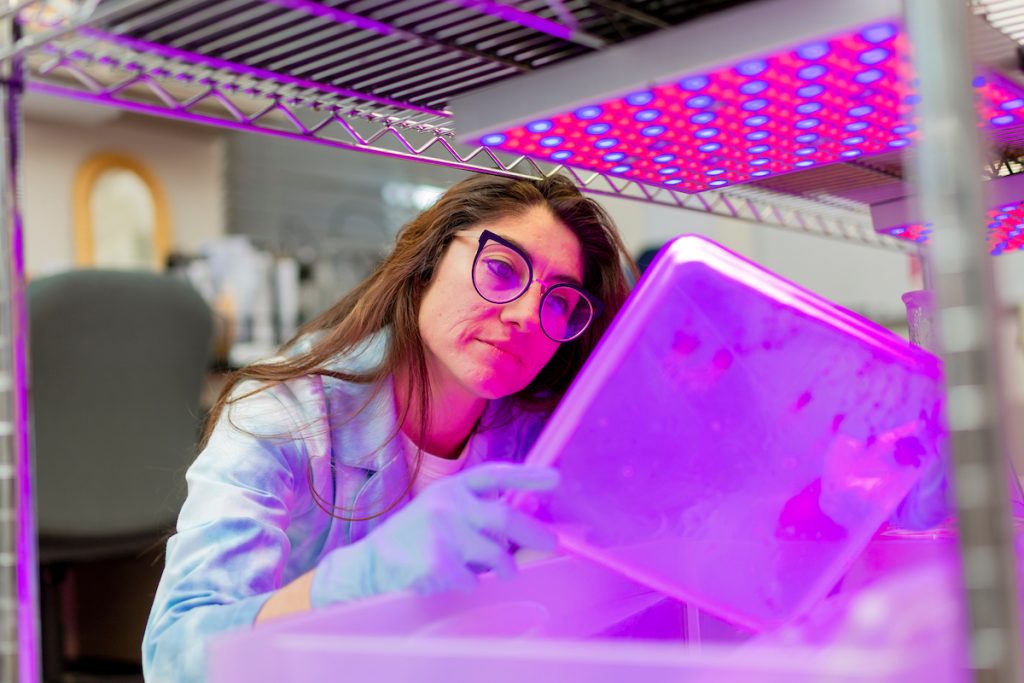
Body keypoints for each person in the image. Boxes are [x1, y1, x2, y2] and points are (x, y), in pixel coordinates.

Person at [142, 174, 636, 682]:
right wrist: (351, 584)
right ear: (427, 264)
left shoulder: (542, 432)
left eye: (558, 301)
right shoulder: (283, 414)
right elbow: (174, 657)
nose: (528, 314)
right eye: (501, 269)